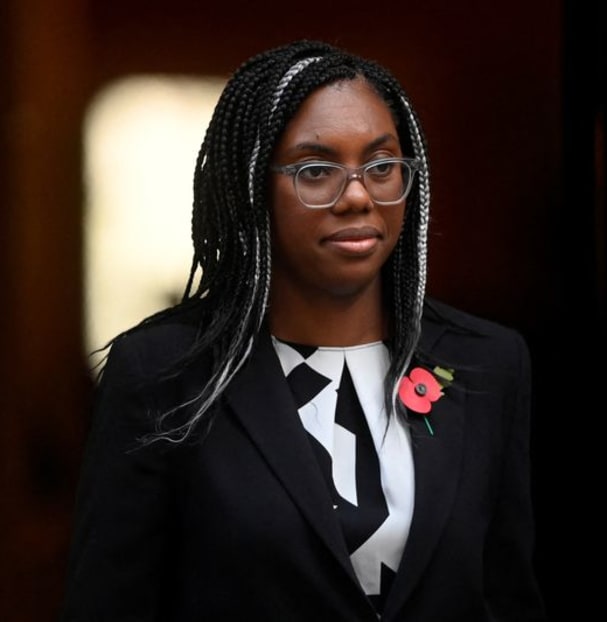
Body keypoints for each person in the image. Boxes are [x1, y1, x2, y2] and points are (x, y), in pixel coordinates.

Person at [60, 39, 547, 622]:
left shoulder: (487, 363)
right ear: (251, 187)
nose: (359, 196)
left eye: (382, 165)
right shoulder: (167, 374)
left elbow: (507, 596)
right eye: (317, 171)